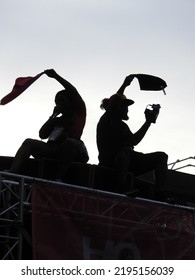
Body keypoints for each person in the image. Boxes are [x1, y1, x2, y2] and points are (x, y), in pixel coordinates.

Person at [9, 69, 89, 181]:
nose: (59, 103)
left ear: (71, 101)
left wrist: (56, 76)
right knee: (28, 142)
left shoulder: (79, 112)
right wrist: (52, 117)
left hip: (72, 150)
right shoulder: (57, 120)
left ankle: (58, 179)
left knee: (70, 143)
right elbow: (42, 135)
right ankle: (13, 171)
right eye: (57, 101)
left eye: (62, 100)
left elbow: (72, 91)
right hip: (53, 149)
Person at [96, 74, 168, 196]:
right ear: (115, 107)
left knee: (161, 157)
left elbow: (134, 141)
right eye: (123, 105)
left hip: (128, 160)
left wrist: (148, 122)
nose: (127, 109)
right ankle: (122, 186)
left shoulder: (123, 126)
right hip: (109, 161)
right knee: (123, 150)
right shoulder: (105, 121)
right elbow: (113, 104)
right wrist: (124, 85)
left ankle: (159, 194)